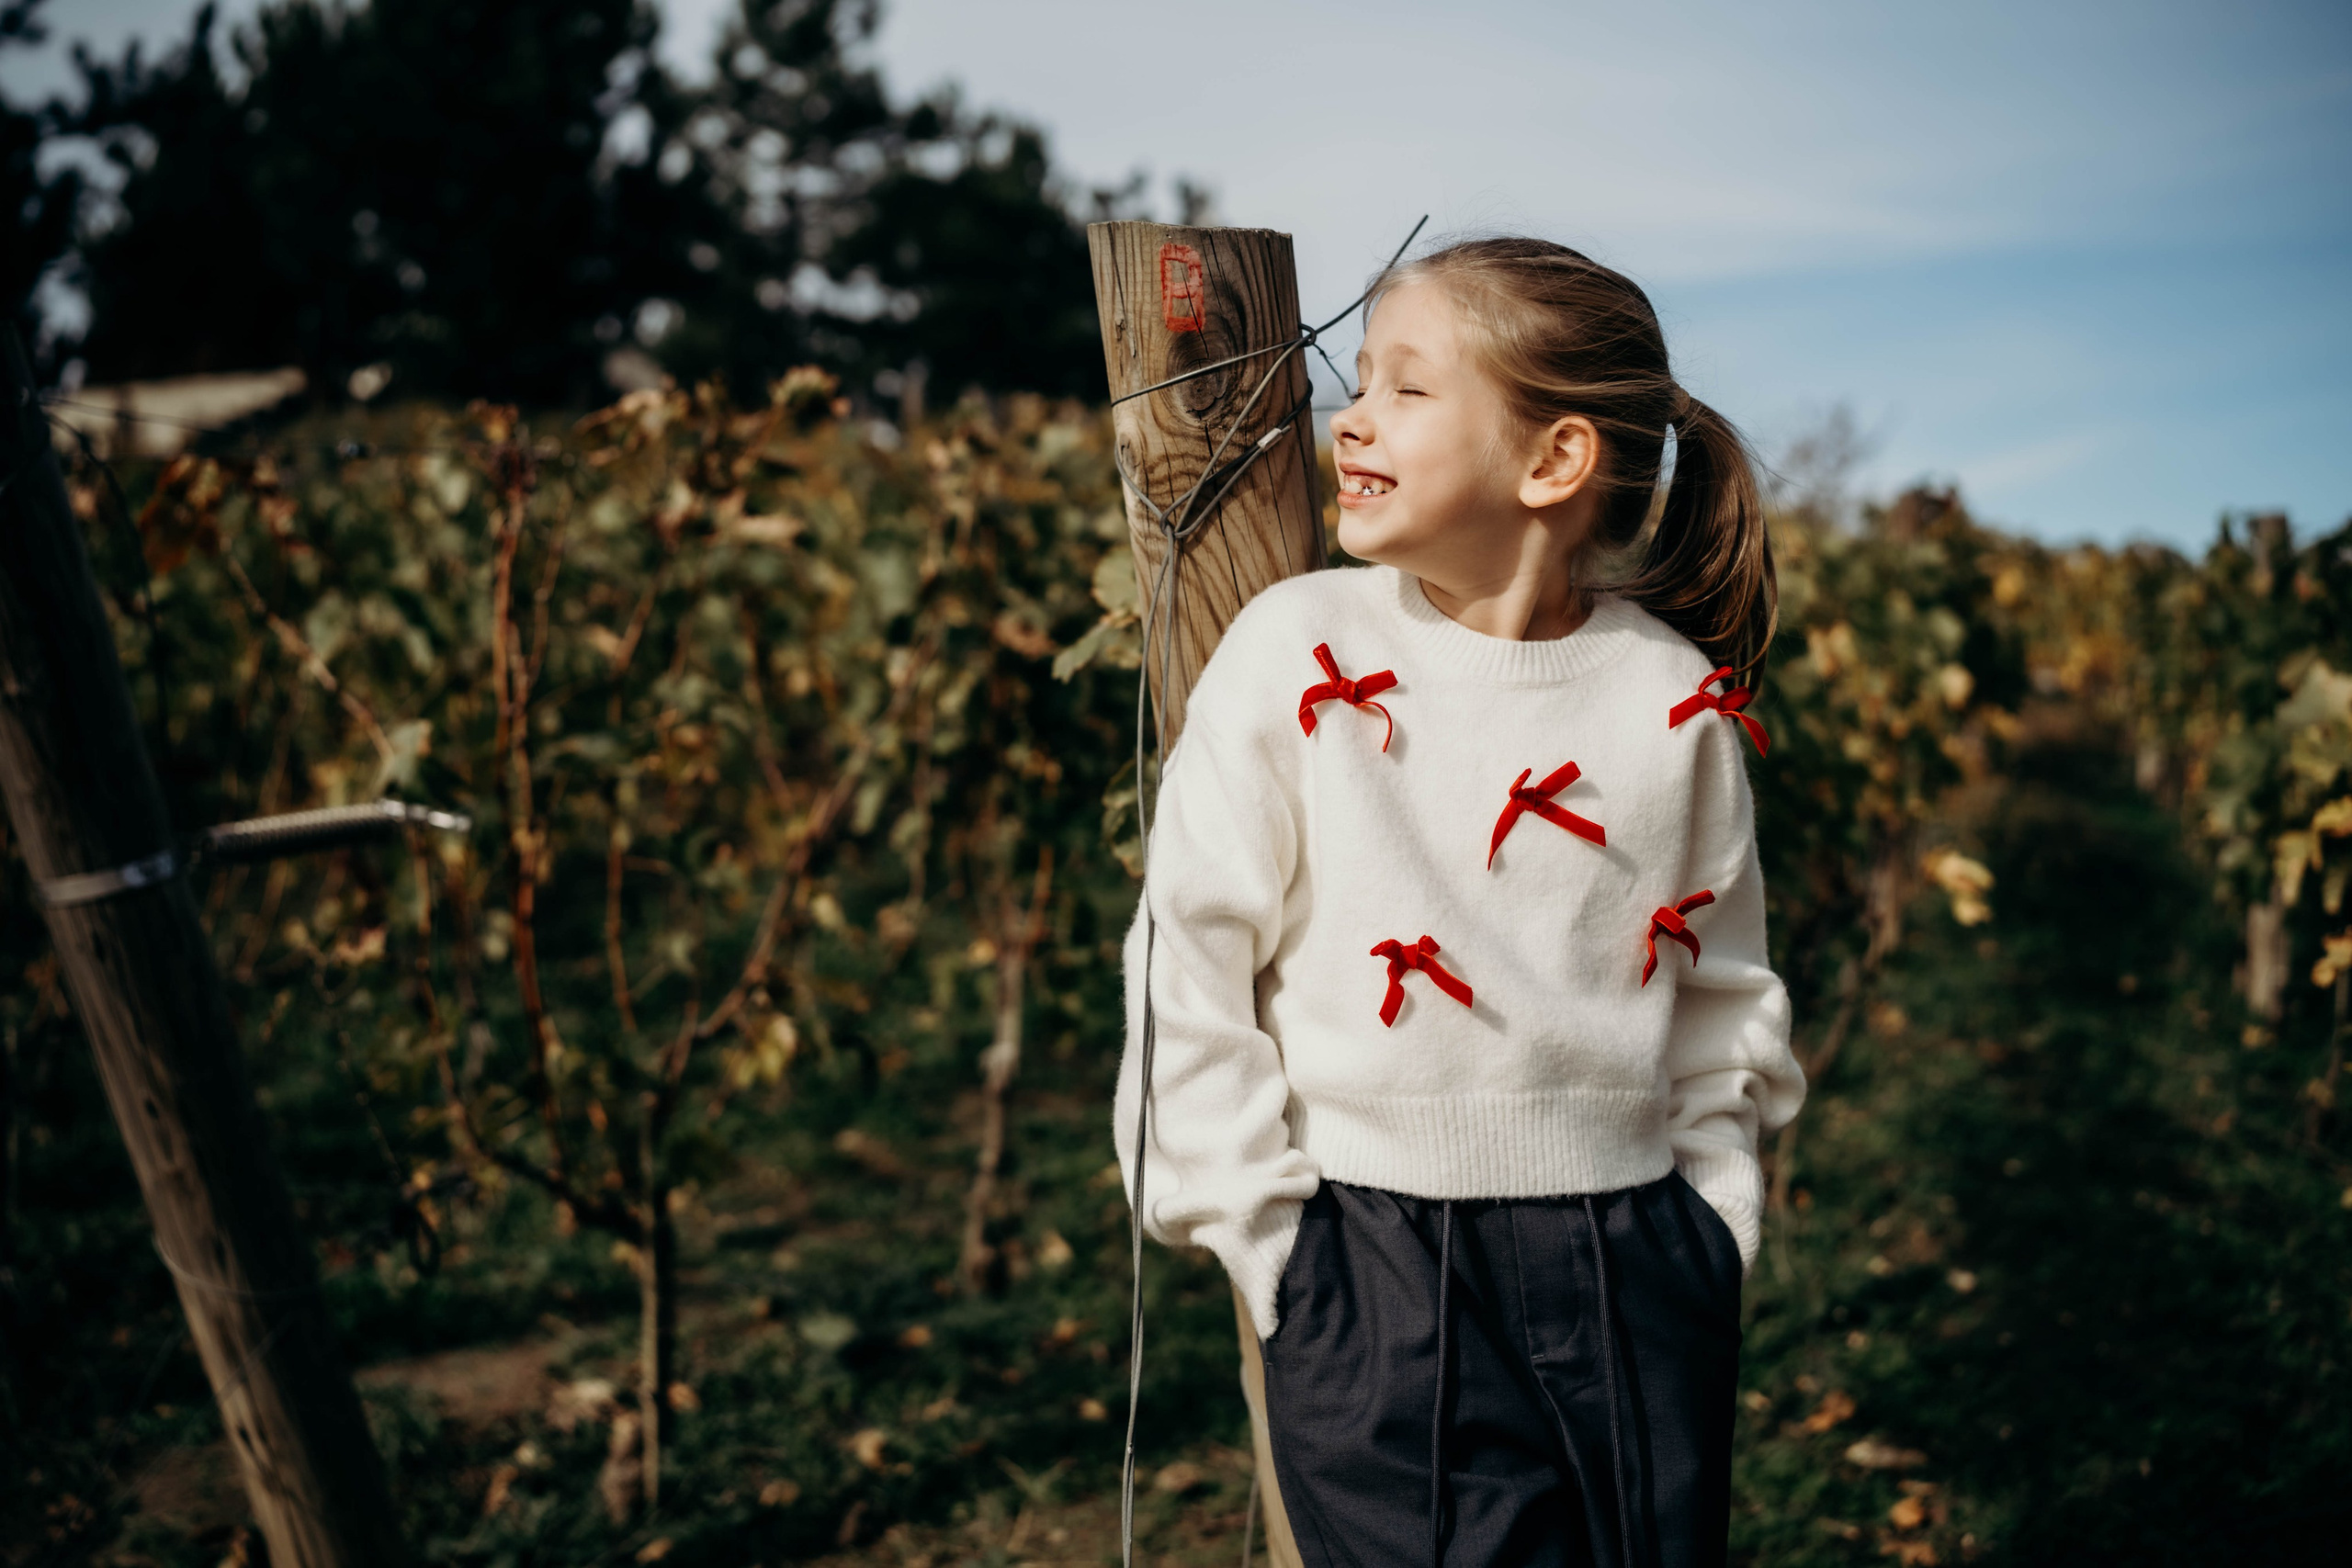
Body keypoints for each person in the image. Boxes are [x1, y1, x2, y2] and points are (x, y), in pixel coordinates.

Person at [1113, 236, 1808, 1568]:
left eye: (1407, 389)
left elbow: (1724, 983)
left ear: (1553, 463)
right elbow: (1188, 952)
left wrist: (1713, 1216)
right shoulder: (1295, 650)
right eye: (1356, 380)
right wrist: (1269, 1247)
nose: (1350, 417)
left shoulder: (1673, 704)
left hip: (1638, 1260)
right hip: (1370, 1266)